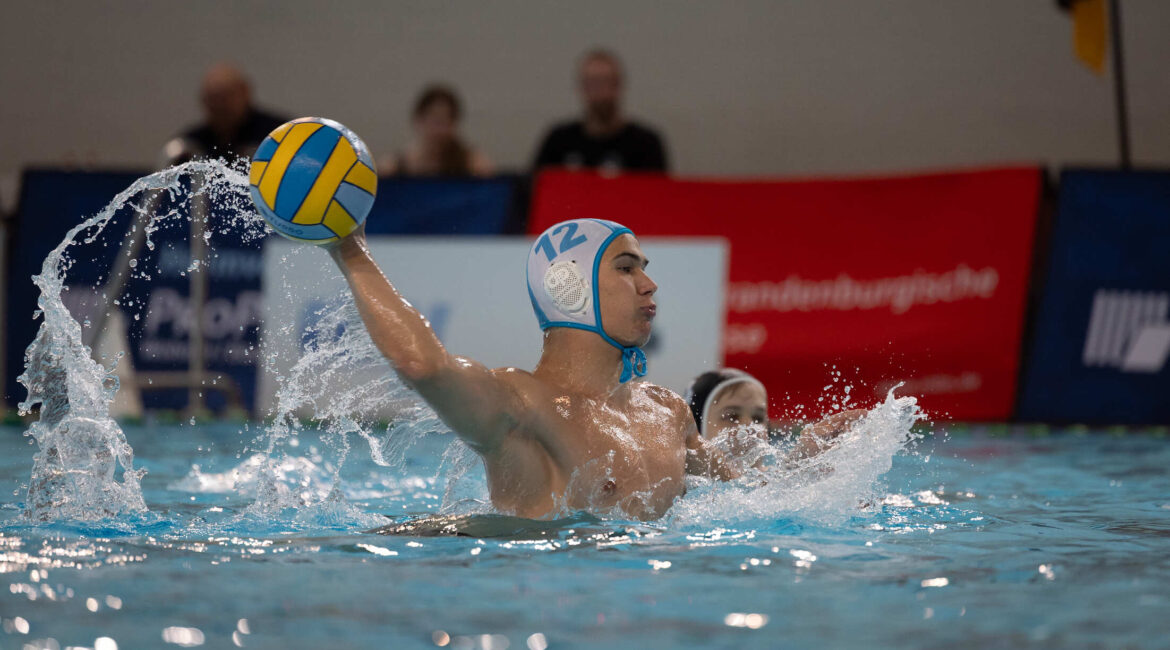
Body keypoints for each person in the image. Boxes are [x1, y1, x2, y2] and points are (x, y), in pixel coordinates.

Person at [330, 217, 732, 521]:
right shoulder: (519, 404)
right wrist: (350, 250)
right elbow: (421, 365)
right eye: (627, 268)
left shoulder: (666, 411)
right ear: (570, 286)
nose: (649, 283)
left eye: (643, 267)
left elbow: (749, 496)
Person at [686, 368, 866, 465]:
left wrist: (805, 461)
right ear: (695, 428)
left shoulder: (774, 480)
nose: (749, 426)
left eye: (758, 418)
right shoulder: (681, 486)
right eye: (731, 416)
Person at [532, 49, 669, 173]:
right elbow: (535, 189)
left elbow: (656, 195)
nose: (600, 92)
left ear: (618, 85)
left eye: (606, 82)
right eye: (593, 83)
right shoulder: (558, 141)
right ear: (582, 87)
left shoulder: (645, 144)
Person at [162, 63, 287, 165]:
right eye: (212, 98)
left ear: (245, 92)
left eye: (226, 96)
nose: (219, 105)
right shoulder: (189, 145)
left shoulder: (278, 135)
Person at [381, 85, 493, 177]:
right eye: (436, 121)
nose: (440, 130)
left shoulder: (473, 164)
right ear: (418, 120)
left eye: (447, 122)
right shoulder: (394, 167)